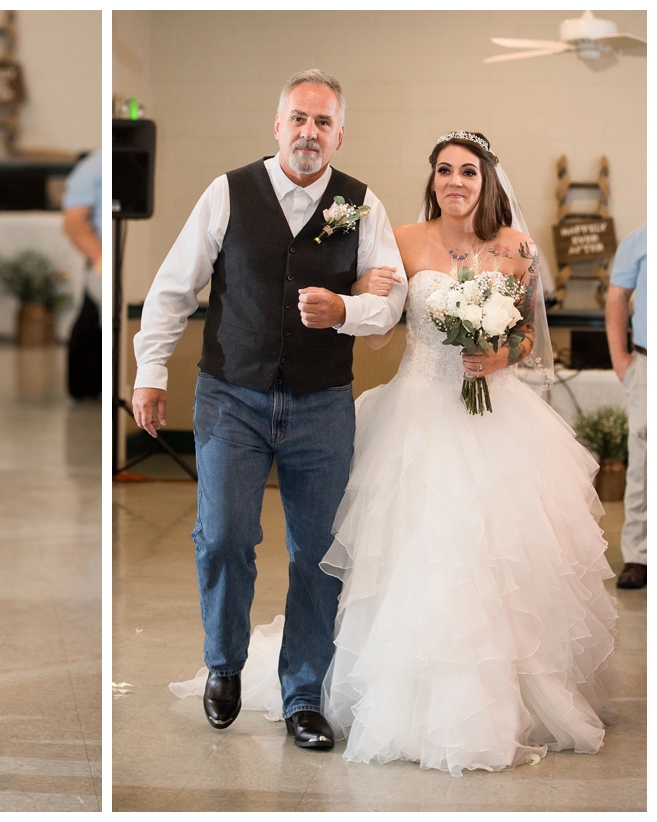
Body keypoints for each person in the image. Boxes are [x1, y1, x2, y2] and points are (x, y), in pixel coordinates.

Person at [178, 131, 618, 776]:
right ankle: (359, 689)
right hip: (415, 410)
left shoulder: (517, 249)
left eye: (468, 171)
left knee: (490, 558)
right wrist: (363, 293)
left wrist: (501, 353)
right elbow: (382, 337)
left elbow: (527, 335)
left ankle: (492, 696)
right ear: (432, 178)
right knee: (404, 552)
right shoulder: (405, 239)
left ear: (487, 179)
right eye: (444, 171)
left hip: (494, 416)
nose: (455, 182)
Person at [137, 69, 407, 749]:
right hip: (232, 394)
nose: (308, 132)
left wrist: (346, 308)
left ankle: (305, 693)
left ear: (339, 134)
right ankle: (224, 665)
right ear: (277, 125)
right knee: (225, 535)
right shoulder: (227, 193)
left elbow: (394, 299)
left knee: (318, 553)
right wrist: (148, 372)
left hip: (322, 402)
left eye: (322, 122)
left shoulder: (363, 204)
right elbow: (173, 290)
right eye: (298, 118)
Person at [606, 224, 646, 589]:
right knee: (644, 461)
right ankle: (639, 555)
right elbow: (618, 296)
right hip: (648, 364)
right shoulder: (641, 238)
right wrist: (620, 357)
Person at [62, 149, 102, 399]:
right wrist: (101, 258)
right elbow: (73, 222)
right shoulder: (93, 165)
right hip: (101, 259)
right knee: (92, 320)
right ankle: (83, 388)